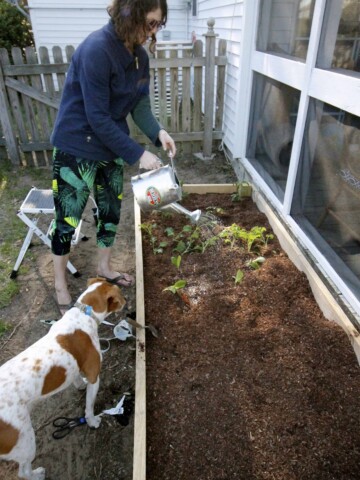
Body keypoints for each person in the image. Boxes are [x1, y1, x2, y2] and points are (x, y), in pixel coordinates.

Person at [50, 0, 176, 314]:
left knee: (109, 213)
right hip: (76, 146)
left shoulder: (139, 56)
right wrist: (138, 154)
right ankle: (60, 284)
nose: (154, 31)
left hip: (110, 146)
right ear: (130, 15)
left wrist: (158, 133)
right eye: (150, 23)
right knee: (68, 219)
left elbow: (140, 105)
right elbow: (97, 117)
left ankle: (105, 269)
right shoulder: (96, 50)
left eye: (159, 24)